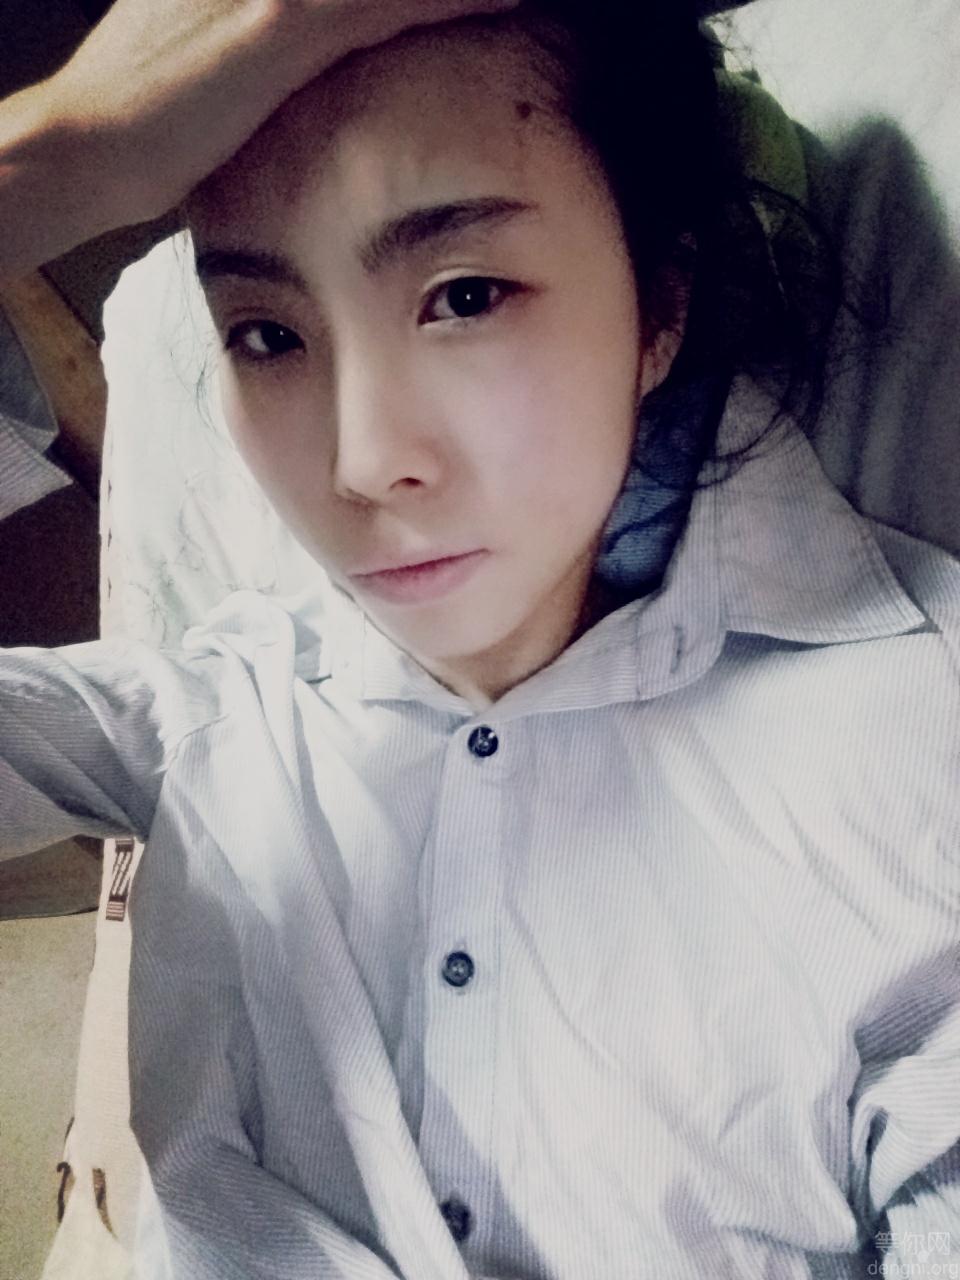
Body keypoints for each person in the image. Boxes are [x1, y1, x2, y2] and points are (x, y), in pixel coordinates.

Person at [2, 1, 959, 1277]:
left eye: (465, 296)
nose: (362, 462)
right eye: (266, 334)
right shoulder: (209, 708)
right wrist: (53, 160)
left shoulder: (917, 734)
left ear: (661, 303)